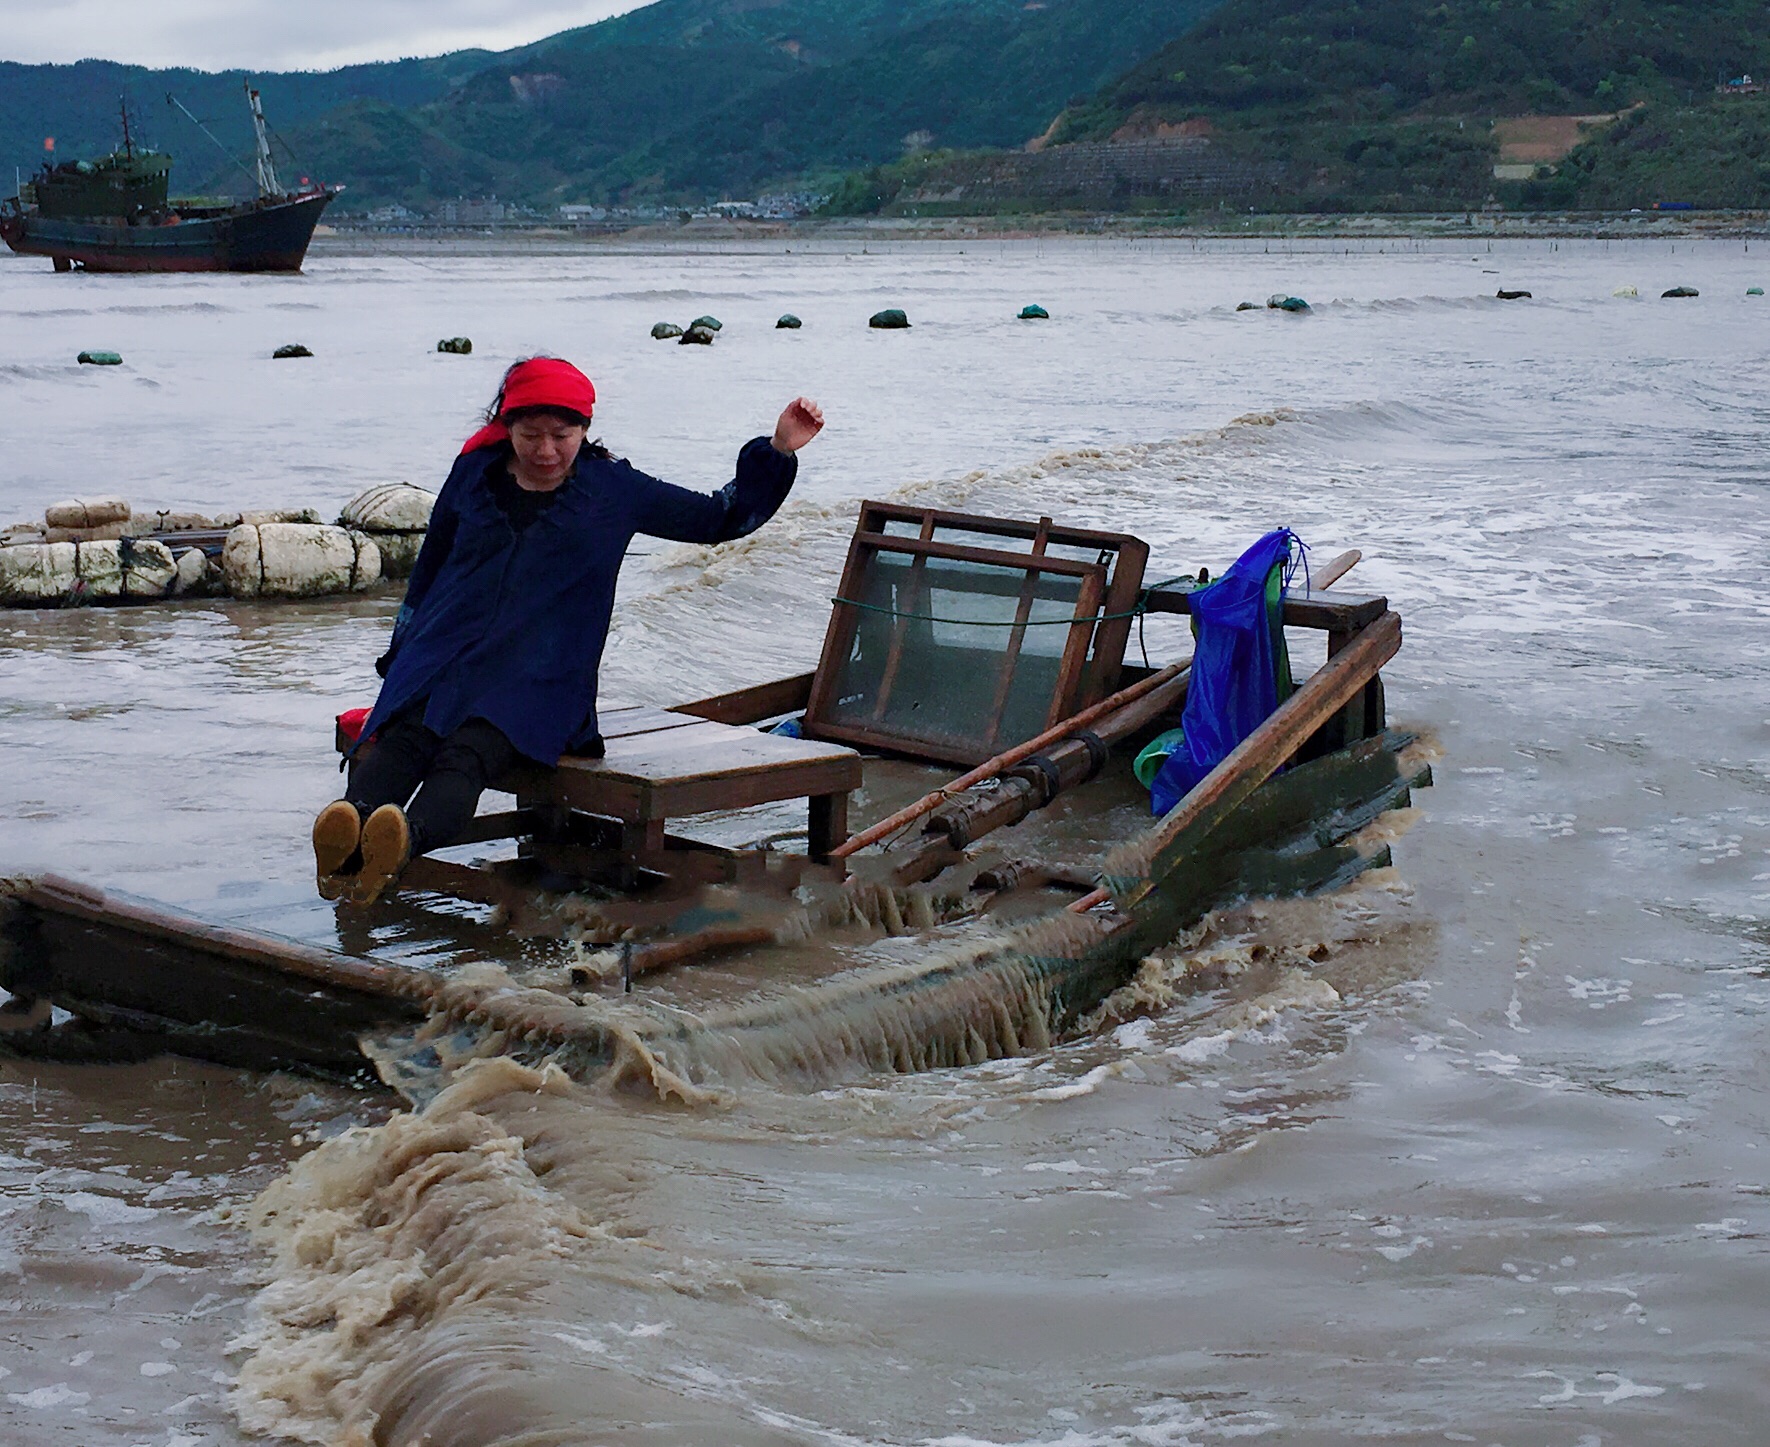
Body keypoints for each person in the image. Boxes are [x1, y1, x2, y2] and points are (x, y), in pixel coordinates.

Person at [312, 355, 824, 903]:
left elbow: (721, 517)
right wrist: (402, 659)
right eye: (530, 434)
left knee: (467, 752)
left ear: (585, 429)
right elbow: (430, 566)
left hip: (542, 677)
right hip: (447, 656)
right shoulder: (473, 473)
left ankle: (401, 844)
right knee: (403, 738)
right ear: (506, 426)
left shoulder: (615, 490)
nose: (546, 450)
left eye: (562, 435)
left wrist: (778, 451)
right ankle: (348, 835)